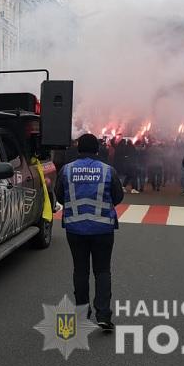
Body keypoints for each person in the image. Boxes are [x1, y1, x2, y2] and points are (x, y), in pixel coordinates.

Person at [55, 134, 124, 330]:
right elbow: (117, 196)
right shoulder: (108, 170)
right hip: (103, 228)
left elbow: (60, 196)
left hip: (75, 229)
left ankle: (81, 314)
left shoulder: (67, 170)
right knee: (102, 271)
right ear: (97, 150)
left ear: (78, 149)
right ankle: (103, 315)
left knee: (80, 270)